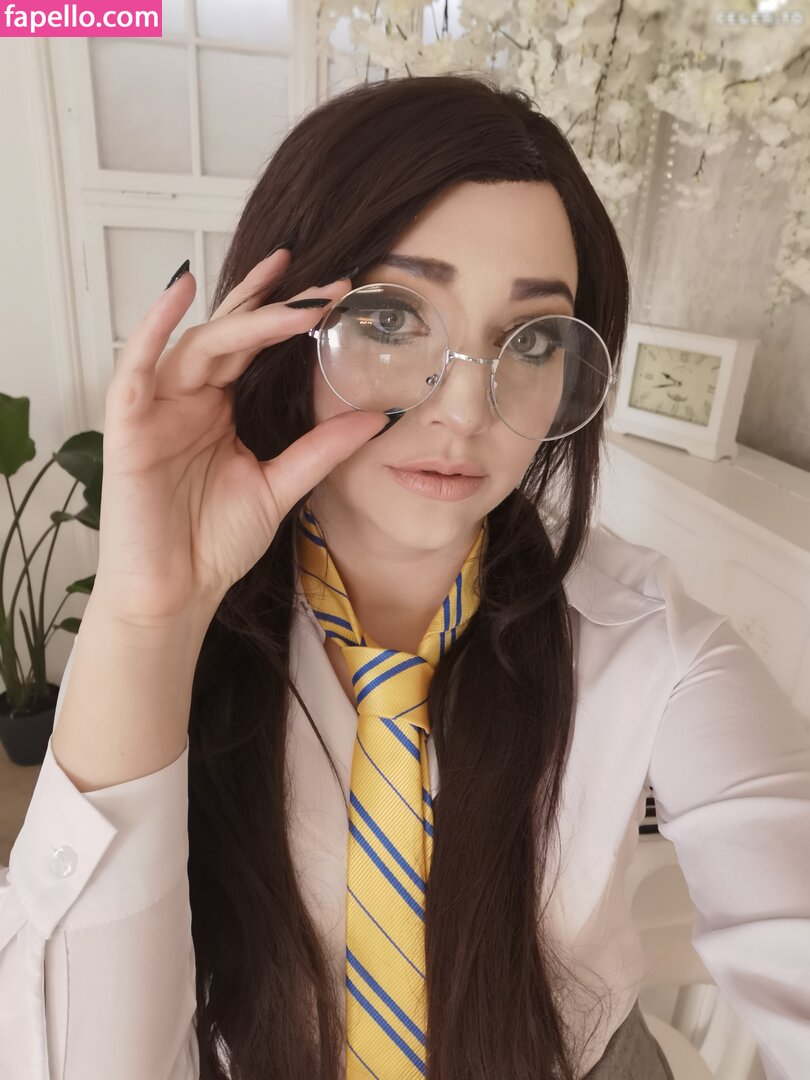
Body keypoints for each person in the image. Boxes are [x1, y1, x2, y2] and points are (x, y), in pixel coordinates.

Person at [1, 72, 808, 1080]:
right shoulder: (172, 642)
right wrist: (148, 618)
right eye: (391, 321)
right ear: (283, 328)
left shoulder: (649, 642)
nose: (465, 410)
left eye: (533, 339)